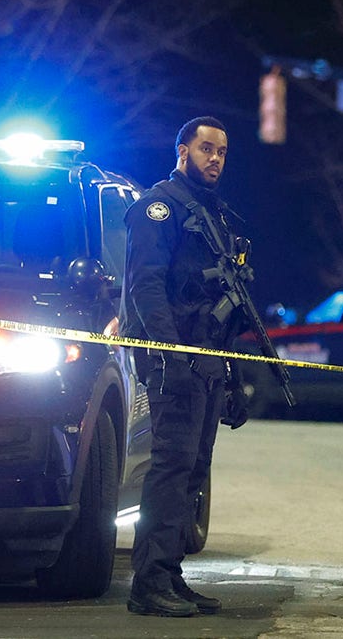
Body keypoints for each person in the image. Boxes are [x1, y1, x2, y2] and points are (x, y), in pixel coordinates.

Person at [120, 116, 254, 617]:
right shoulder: (159, 209)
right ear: (182, 152)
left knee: (193, 470)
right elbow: (146, 287)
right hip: (174, 357)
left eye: (221, 151)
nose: (215, 158)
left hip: (208, 358)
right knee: (171, 468)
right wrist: (171, 354)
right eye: (205, 149)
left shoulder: (212, 213)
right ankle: (147, 584)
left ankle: (169, 574)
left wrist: (234, 377)